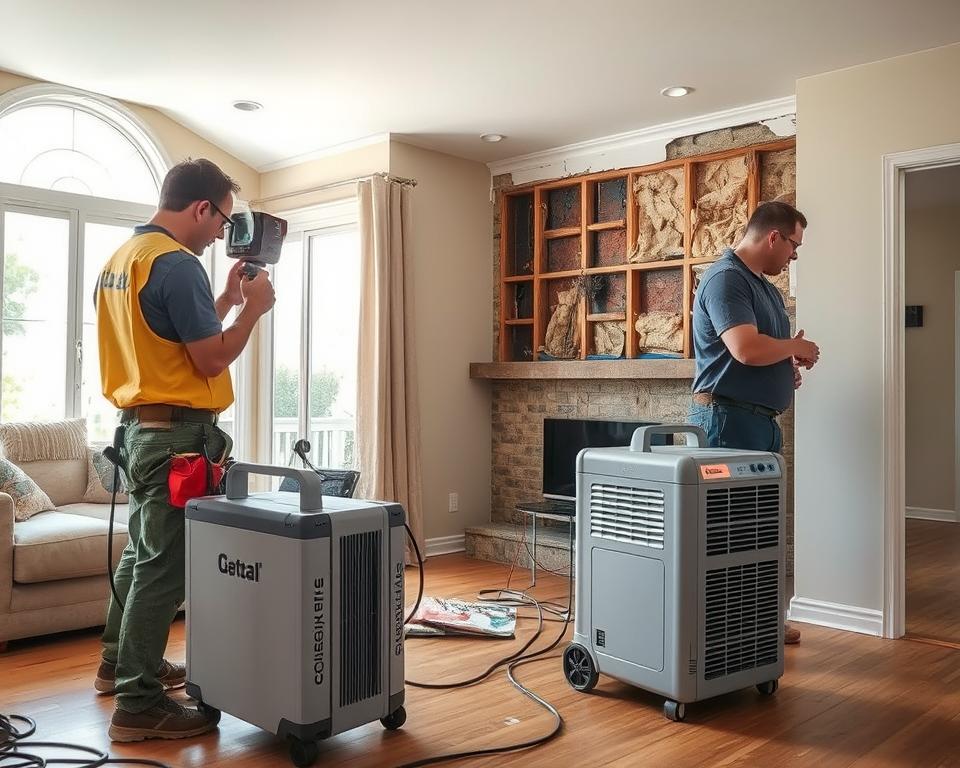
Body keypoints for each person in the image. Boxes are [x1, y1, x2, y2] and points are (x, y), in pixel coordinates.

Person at [93, 158, 275, 742]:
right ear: (202, 208)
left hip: (140, 429)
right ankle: (138, 704)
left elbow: (172, 338)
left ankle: (117, 665)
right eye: (221, 221)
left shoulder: (125, 260)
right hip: (176, 438)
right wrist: (254, 310)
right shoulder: (176, 264)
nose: (222, 233)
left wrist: (222, 300)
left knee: (141, 554)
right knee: (164, 567)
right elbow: (210, 359)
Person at [688, 200, 819, 646]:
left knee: (759, 530)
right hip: (727, 421)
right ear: (774, 237)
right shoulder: (725, 279)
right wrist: (790, 348)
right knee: (726, 535)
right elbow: (744, 348)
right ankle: (721, 630)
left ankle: (759, 621)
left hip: (758, 421)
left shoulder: (764, 288)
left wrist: (787, 364)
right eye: (794, 246)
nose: (795, 256)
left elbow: (761, 352)